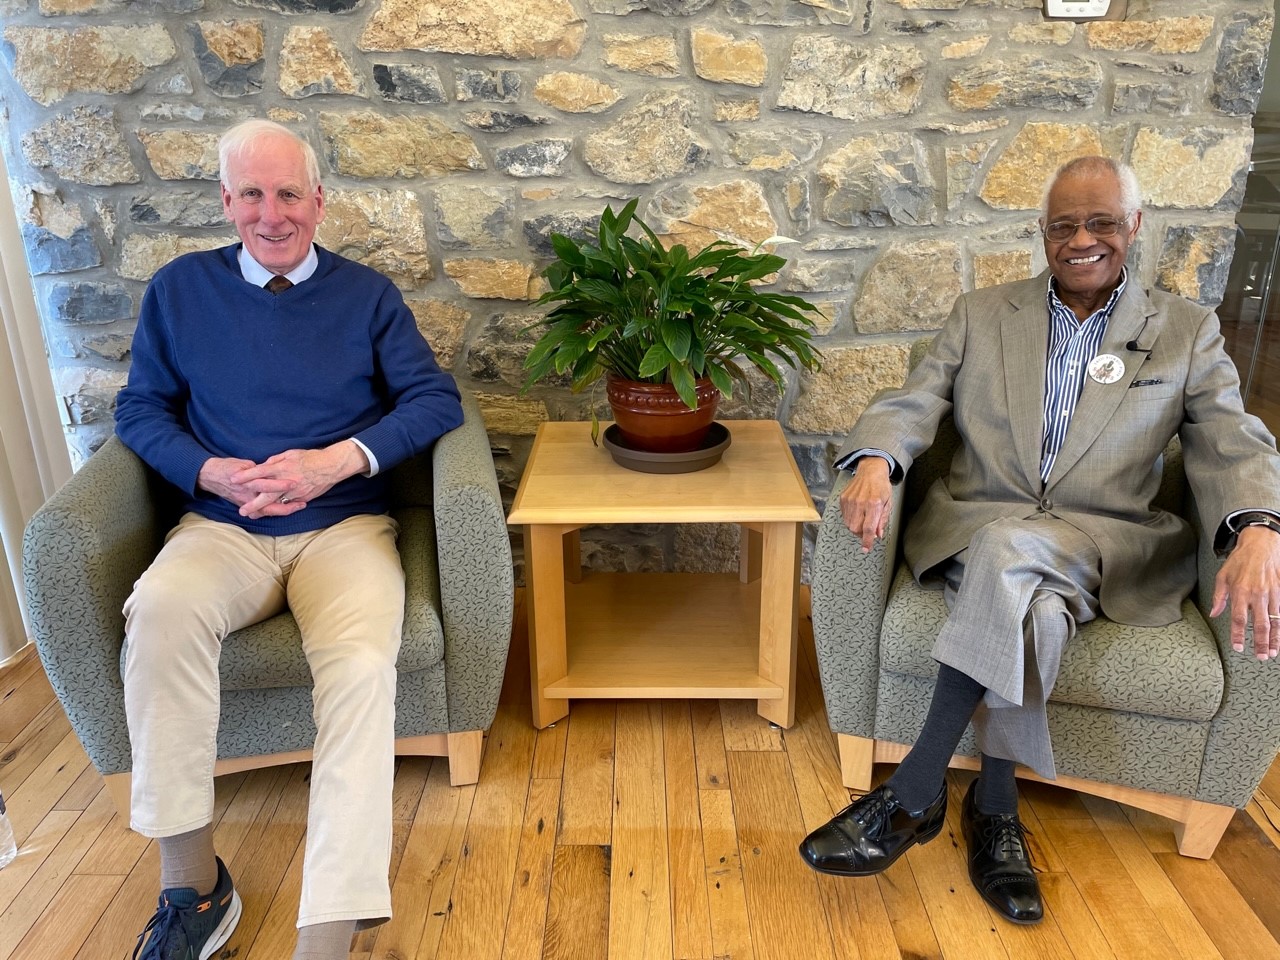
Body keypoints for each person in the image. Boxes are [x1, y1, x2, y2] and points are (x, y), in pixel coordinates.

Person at [798, 156, 1280, 924]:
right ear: (1043, 233)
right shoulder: (983, 313)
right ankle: (994, 807)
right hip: (984, 529)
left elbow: (1234, 439)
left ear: (1135, 227)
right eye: (1065, 225)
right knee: (1030, 598)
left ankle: (915, 792)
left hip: (1105, 541)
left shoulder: (1185, 331)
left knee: (1009, 550)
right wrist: (878, 460)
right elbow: (912, 398)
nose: (1082, 239)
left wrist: (1258, 526)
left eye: (1102, 223)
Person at [116, 119, 463, 960]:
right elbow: (139, 409)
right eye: (252, 195)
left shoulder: (368, 295)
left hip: (344, 527)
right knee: (157, 614)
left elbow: (434, 400)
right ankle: (192, 891)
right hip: (221, 529)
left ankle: (328, 932)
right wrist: (210, 473)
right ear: (226, 202)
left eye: (289, 195)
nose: (272, 215)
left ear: (319, 201)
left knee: (359, 668)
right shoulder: (178, 291)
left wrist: (333, 464)